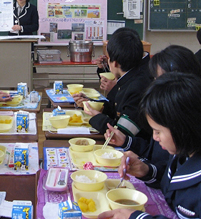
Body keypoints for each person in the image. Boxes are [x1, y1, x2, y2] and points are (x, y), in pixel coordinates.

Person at [99, 72, 201, 219]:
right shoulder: (183, 154)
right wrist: (146, 170)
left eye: (158, 131)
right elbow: (172, 185)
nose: (154, 137)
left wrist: (138, 217)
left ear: (182, 127)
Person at [104, 45, 201, 187]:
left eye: (160, 80)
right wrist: (126, 142)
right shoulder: (165, 119)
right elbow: (156, 156)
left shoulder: (182, 132)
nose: (153, 86)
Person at [74, 28, 152, 138]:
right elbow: (116, 109)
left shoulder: (138, 86)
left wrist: (96, 116)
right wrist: (92, 104)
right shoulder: (132, 77)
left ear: (114, 63)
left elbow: (121, 133)